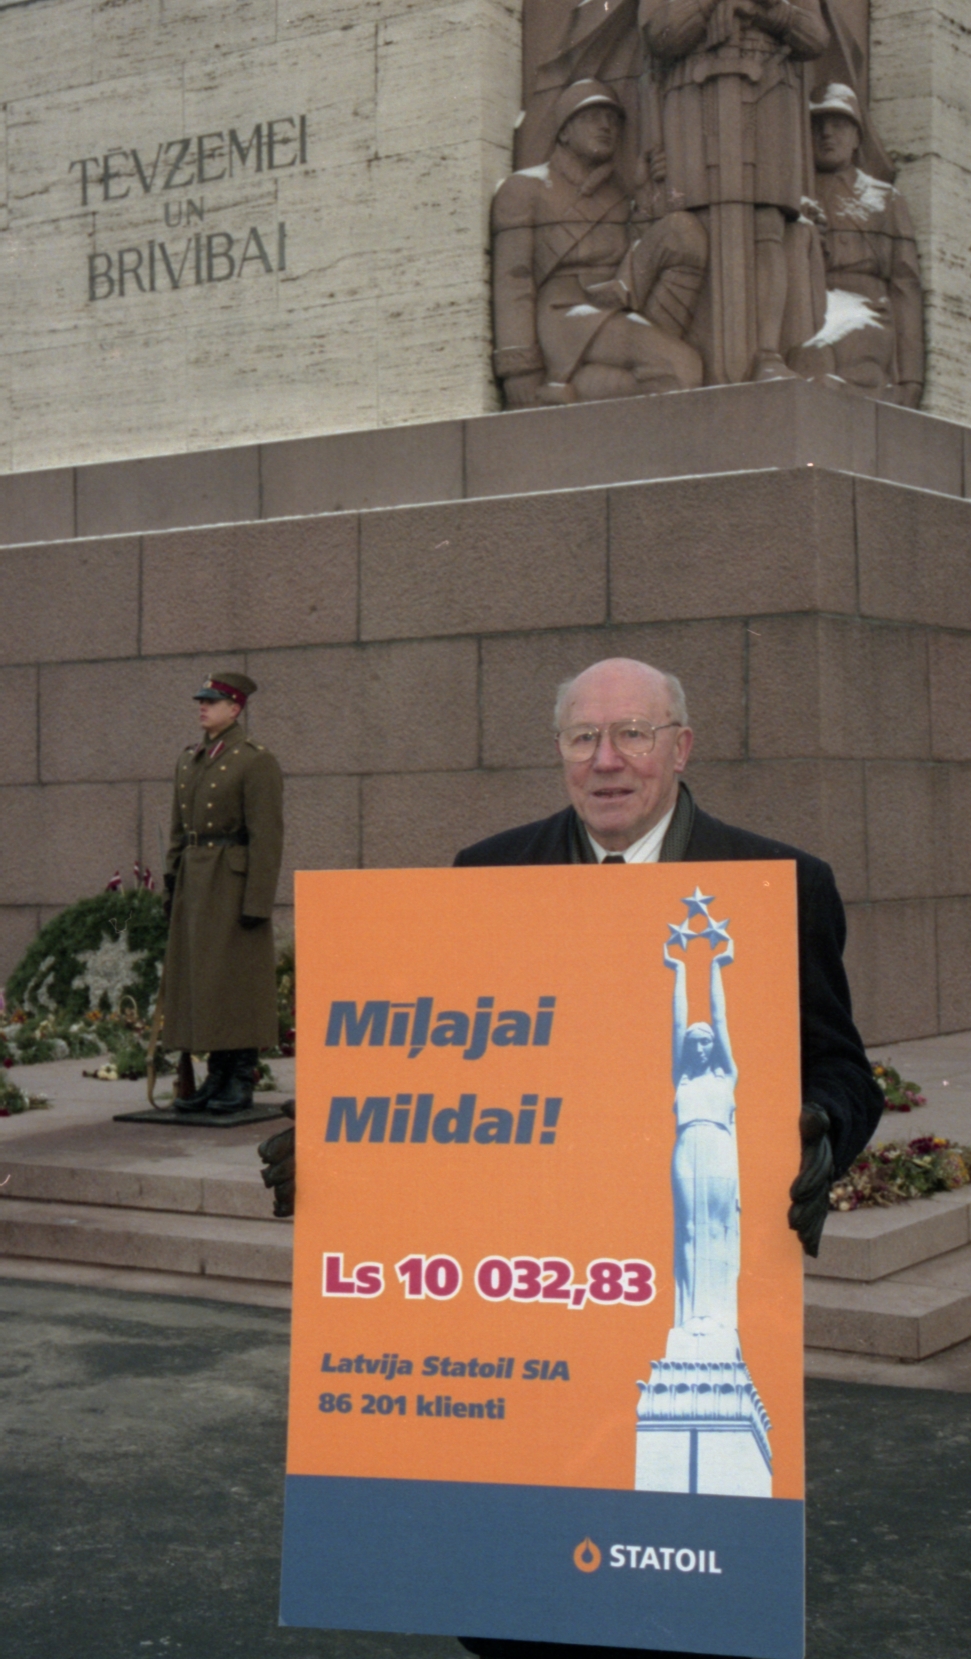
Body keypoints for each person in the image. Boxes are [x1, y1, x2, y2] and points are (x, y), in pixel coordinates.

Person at [453, 658, 881, 1659]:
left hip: (684, 1252)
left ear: (679, 747)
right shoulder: (486, 874)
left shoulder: (779, 886)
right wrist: (339, 1147)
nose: (606, 761)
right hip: (542, 1282)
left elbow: (841, 1071)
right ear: (558, 751)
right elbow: (450, 1058)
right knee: (520, 1610)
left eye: (632, 735)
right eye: (583, 738)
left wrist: (815, 1128)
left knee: (675, 1611)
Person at [640, 0, 830, 383]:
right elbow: (660, 36)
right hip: (692, 98)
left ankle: (767, 354)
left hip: (769, 90)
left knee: (768, 224)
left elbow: (815, 38)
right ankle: (689, 364)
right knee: (694, 229)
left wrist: (765, 10)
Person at [491, 79, 707, 407]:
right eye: (592, 117)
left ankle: (568, 391)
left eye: (612, 119)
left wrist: (645, 193)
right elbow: (514, 279)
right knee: (681, 367)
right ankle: (554, 388)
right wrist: (519, 368)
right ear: (564, 131)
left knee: (683, 232)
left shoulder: (618, 193)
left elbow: (639, 255)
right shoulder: (524, 189)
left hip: (612, 310)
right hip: (564, 317)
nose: (606, 126)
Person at [163, 672, 283, 1115]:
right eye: (201, 700)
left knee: (235, 982)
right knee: (204, 983)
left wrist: (258, 900)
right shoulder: (190, 759)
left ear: (235, 709)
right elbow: (179, 830)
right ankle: (216, 1075)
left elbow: (267, 837)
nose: (203, 707)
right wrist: (171, 882)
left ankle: (240, 1076)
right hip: (195, 882)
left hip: (232, 882)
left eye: (212, 702)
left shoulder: (254, 761)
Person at [787, 82, 924, 405]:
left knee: (818, 354)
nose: (827, 133)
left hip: (866, 308)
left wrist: (911, 377)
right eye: (818, 125)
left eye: (838, 124)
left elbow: (905, 286)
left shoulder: (885, 198)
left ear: (857, 137)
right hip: (808, 302)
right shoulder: (795, 195)